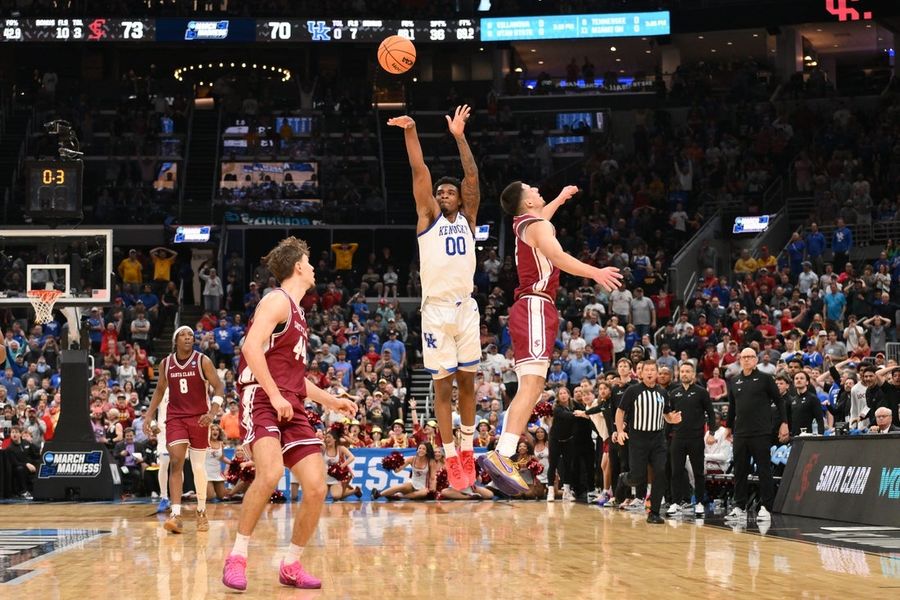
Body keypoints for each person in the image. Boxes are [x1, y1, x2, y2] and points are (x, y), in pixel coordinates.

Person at [222, 237, 356, 592]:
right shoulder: (276, 300)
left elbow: (296, 379)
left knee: (315, 486)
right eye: (309, 262)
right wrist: (274, 394)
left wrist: (331, 400)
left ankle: (292, 564)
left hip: (289, 401)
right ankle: (236, 556)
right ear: (299, 266)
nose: (313, 267)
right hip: (262, 396)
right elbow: (250, 347)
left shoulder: (299, 314)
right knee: (270, 473)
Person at [480, 181, 622, 495]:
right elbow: (557, 257)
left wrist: (559, 198)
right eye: (531, 189)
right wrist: (595, 272)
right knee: (530, 387)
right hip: (534, 305)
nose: (536, 190)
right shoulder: (536, 225)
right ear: (526, 201)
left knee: (533, 386)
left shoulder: (528, 222)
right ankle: (502, 454)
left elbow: (543, 216)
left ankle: (503, 453)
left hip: (533, 308)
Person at [387, 105, 480, 491]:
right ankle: (450, 453)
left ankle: (469, 447)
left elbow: (472, 175)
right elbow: (419, 172)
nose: (443, 194)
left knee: (469, 382)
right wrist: (411, 132)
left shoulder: (470, 218)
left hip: (466, 307)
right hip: (436, 311)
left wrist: (459, 137)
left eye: (450, 191)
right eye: (441, 192)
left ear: (460, 199)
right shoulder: (428, 217)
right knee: (443, 387)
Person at [144, 326, 224, 533]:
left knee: (198, 467)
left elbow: (219, 387)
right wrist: (148, 415)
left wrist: (212, 412)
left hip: (199, 419)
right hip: (176, 418)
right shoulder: (166, 364)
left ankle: (201, 510)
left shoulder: (203, 361)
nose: (188, 338)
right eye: (183, 335)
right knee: (176, 461)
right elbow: (160, 390)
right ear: (175, 340)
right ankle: (176, 514)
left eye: (191, 335)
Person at [723, 349, 788, 523]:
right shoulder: (735, 381)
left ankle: (766, 506)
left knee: (764, 470)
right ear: (740, 359)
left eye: (750, 357)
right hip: (741, 433)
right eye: (744, 357)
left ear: (756, 359)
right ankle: (740, 506)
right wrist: (728, 427)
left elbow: (779, 401)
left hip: (761, 432)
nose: (747, 360)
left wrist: (784, 423)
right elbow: (732, 407)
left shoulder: (766, 379)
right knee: (740, 471)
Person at [614, 361, 676, 524]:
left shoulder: (662, 392)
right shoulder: (633, 391)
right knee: (638, 477)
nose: (649, 372)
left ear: (656, 373)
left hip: (658, 439)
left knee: (661, 472)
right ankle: (623, 479)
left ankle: (654, 512)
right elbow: (620, 412)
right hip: (638, 438)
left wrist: (672, 419)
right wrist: (620, 431)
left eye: (652, 370)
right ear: (641, 374)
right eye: (646, 370)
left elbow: (667, 414)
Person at [665, 363, 715, 517]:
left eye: (688, 371)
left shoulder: (701, 392)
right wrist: (666, 436)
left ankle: (699, 502)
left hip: (696, 438)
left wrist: (712, 432)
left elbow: (711, 413)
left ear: (693, 374)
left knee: (698, 472)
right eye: (682, 371)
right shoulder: (673, 393)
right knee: (676, 472)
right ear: (679, 374)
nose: (685, 374)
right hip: (678, 438)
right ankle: (676, 503)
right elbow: (669, 416)